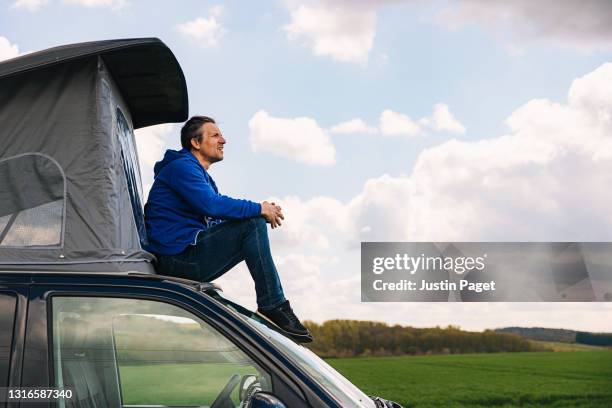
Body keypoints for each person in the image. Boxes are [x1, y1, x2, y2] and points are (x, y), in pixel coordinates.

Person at [144, 115, 312, 343]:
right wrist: (258, 209)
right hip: (177, 258)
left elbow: (216, 219)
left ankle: (272, 304)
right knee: (252, 222)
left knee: (252, 222)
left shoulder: (200, 175)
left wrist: (259, 210)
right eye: (215, 135)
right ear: (195, 142)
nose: (224, 140)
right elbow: (212, 205)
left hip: (187, 254)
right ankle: (273, 304)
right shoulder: (181, 167)